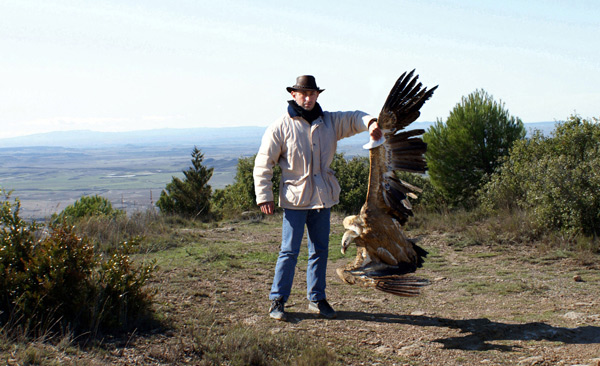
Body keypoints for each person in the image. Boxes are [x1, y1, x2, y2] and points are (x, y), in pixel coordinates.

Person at [253, 75, 382, 321]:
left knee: (320, 250)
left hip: (323, 198)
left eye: (312, 94)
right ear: (294, 95)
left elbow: (355, 117)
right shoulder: (280, 126)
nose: (308, 98)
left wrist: (371, 122)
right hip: (295, 199)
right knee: (289, 251)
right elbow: (263, 163)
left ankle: (317, 299)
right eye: (304, 94)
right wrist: (264, 196)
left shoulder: (330, 122)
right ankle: (277, 300)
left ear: (318, 95)